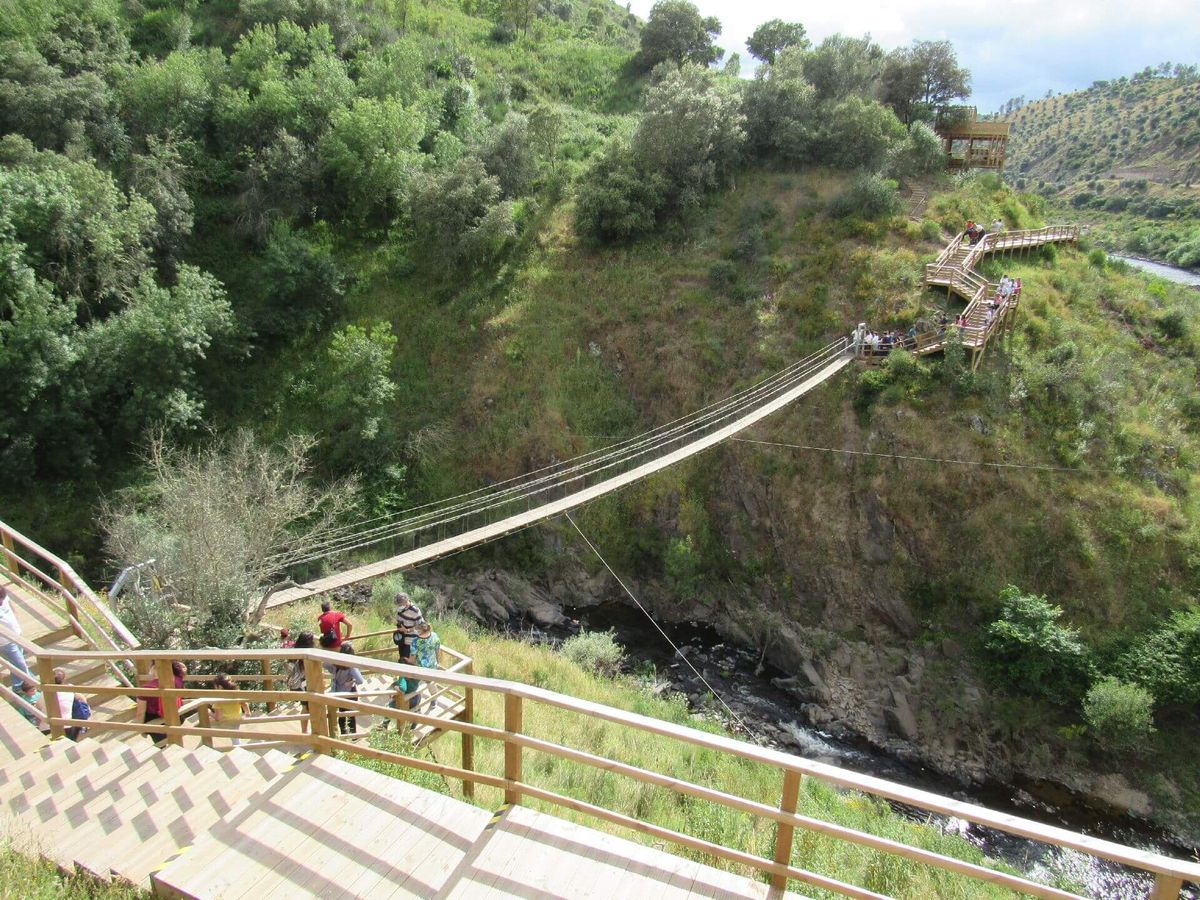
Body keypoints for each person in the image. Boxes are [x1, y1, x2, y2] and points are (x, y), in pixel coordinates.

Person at [135, 660, 187, 746]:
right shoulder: (177, 679)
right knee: (174, 739)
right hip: (177, 716)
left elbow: (140, 713)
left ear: (154, 668)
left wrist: (141, 730)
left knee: (161, 744)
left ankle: (163, 747)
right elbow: (183, 667)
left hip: (156, 721)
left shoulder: (146, 689)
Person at [0, 586, 34, 692]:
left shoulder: (3, 595)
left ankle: (19, 686)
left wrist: (16, 620)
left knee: (17, 664)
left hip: (16, 634)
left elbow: (11, 606)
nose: (1, 603)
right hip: (5, 641)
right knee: (20, 665)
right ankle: (26, 688)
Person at [329, 643, 364, 735]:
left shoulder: (335, 664)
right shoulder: (351, 666)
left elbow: (325, 664)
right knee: (351, 715)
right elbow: (360, 681)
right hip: (349, 693)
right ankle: (353, 735)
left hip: (338, 693)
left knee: (341, 714)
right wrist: (352, 681)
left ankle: (343, 734)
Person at [287, 631, 314, 734]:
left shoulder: (293, 652)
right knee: (312, 708)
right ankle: (316, 730)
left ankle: (304, 731)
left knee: (304, 708)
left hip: (298, 685)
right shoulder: (308, 653)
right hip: (307, 684)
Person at [211, 673, 249, 746]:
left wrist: (209, 713)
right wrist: (247, 714)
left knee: (206, 724)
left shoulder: (219, 700)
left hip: (226, 722)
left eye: (215, 687)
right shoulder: (236, 693)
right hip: (238, 718)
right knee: (235, 736)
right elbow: (244, 703)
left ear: (220, 687)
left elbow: (218, 717)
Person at [392, 592, 424, 662]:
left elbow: (422, 626)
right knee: (401, 661)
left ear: (406, 602)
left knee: (407, 665)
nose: (399, 606)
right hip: (401, 640)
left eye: (400, 605)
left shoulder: (415, 611)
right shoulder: (400, 609)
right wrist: (397, 623)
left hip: (410, 643)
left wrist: (407, 630)